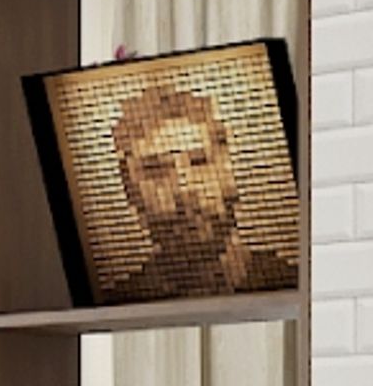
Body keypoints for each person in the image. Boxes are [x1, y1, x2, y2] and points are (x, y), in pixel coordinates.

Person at [110, 81, 275, 297]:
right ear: (130, 188)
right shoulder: (123, 297)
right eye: (156, 169)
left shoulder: (292, 282)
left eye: (199, 162)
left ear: (229, 172)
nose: (183, 186)